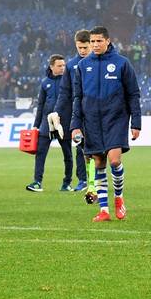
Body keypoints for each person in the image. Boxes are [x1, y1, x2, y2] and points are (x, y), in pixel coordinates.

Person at [70, 26, 142, 222]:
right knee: (99, 163)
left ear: (108, 41)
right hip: (91, 120)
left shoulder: (121, 63)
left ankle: (118, 198)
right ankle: (104, 210)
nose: (95, 45)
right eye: (92, 42)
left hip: (116, 119)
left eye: (98, 41)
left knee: (115, 161)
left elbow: (133, 94)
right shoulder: (83, 66)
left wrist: (136, 122)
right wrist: (75, 125)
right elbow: (77, 97)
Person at [51, 29, 92, 192]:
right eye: (79, 47)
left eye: (85, 47)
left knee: (97, 148)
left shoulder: (99, 63)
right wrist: (56, 112)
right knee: (79, 145)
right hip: (78, 111)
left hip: (97, 110)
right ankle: (83, 180)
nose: (82, 51)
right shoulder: (71, 66)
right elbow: (64, 91)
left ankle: (96, 178)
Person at [27, 55, 75, 192]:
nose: (63, 68)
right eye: (60, 66)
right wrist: (36, 125)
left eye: (64, 65)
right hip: (46, 123)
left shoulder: (69, 82)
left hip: (64, 123)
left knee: (67, 154)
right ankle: (37, 182)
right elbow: (40, 105)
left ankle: (66, 183)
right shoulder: (44, 83)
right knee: (41, 153)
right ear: (51, 67)